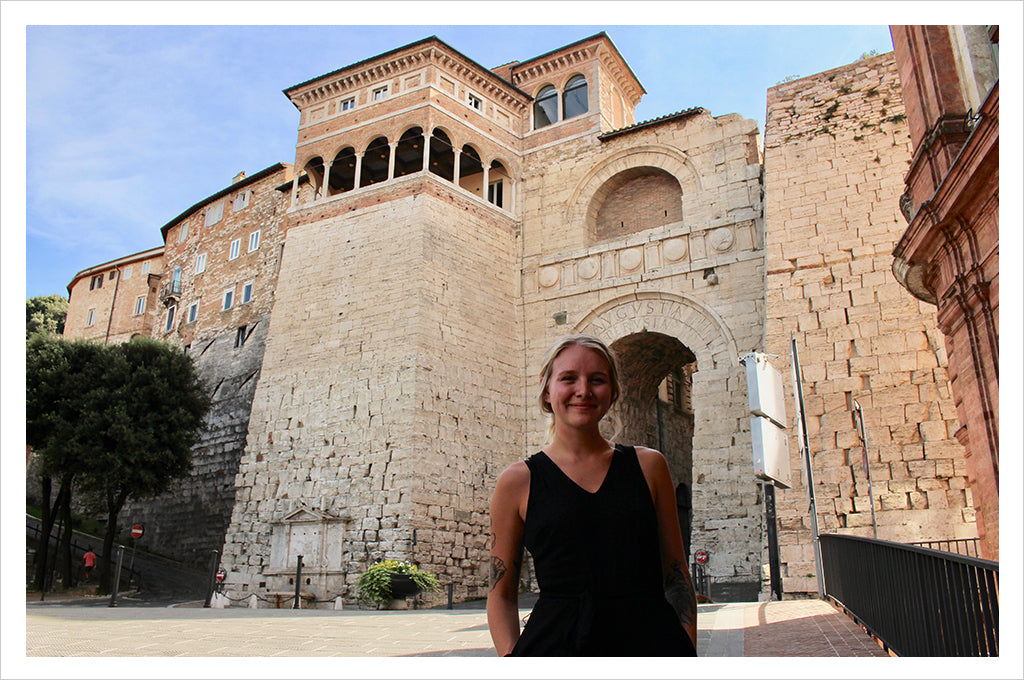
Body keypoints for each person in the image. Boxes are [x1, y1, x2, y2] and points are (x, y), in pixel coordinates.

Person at [487, 334, 698, 656]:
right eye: (568, 378)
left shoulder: (649, 466)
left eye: (597, 380)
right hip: (555, 649)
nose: (583, 390)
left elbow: (676, 575)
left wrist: (685, 648)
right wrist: (511, 659)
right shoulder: (517, 481)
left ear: (612, 392)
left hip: (652, 647)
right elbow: (501, 593)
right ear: (547, 390)